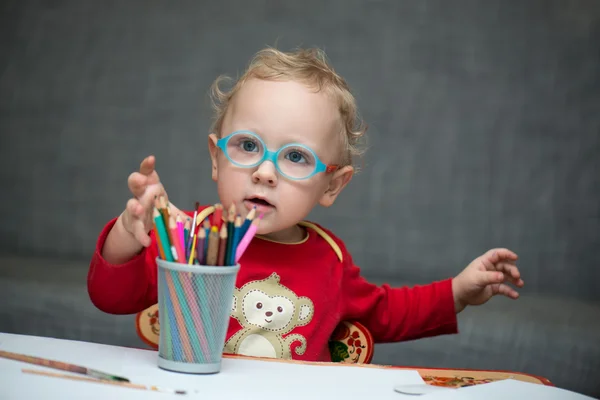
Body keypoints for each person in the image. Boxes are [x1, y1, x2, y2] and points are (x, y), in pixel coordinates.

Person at [88, 47, 524, 362]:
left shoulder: (329, 262)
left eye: (295, 157)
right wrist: (128, 234)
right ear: (216, 159)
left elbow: (388, 313)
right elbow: (109, 296)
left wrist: (457, 292)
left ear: (331, 186)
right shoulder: (187, 236)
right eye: (246, 146)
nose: (264, 171)